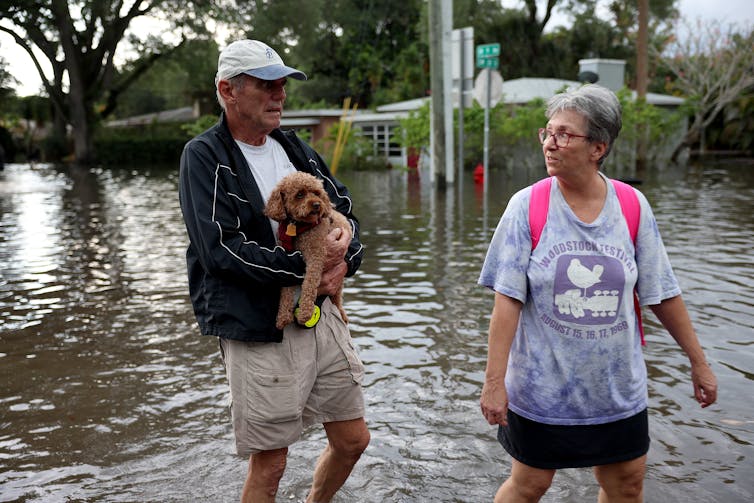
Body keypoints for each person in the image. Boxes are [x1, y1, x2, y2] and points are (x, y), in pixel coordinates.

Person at [478, 84, 717, 502]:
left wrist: (699, 362)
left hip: (616, 390)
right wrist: (494, 383)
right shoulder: (527, 206)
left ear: (598, 147)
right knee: (530, 484)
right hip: (542, 391)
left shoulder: (632, 206)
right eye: (548, 132)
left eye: (565, 134)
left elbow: (661, 292)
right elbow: (508, 301)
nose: (550, 144)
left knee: (625, 485)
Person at [178, 39, 369, 503]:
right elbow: (219, 249)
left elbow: (342, 210)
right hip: (256, 323)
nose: (280, 94)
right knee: (272, 463)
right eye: (267, 85)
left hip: (320, 314)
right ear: (228, 90)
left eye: (282, 84)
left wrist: (347, 256)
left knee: (352, 440)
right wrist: (306, 269)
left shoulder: (292, 145)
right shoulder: (203, 157)